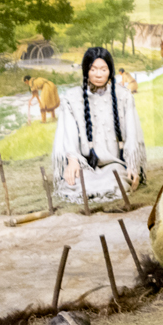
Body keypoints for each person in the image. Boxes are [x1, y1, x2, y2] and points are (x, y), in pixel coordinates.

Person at [51, 46, 145, 205]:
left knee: (115, 183)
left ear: (110, 70)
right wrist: (73, 160)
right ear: (86, 71)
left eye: (103, 69)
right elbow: (68, 133)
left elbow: (132, 133)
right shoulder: (72, 98)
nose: (99, 74)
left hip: (115, 164)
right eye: (93, 69)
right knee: (75, 185)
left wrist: (132, 165)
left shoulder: (124, 96)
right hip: (85, 165)